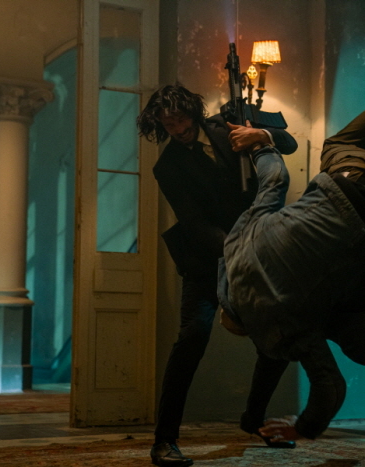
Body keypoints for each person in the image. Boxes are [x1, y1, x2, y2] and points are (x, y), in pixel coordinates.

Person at [217, 44, 365, 441]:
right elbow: (275, 179)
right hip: (354, 175)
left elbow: (331, 387)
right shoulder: (242, 241)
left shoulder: (284, 330)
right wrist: (260, 143)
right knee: (338, 145)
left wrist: (302, 428)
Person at [137, 84, 299, 467]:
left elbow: (289, 143)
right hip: (207, 259)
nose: (178, 129)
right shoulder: (167, 167)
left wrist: (260, 135)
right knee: (191, 338)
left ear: (192, 111)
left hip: (257, 250)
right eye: (168, 125)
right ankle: (164, 441)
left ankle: (254, 419)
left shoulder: (231, 124)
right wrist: (235, 248)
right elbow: (193, 222)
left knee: (279, 338)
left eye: (181, 119)